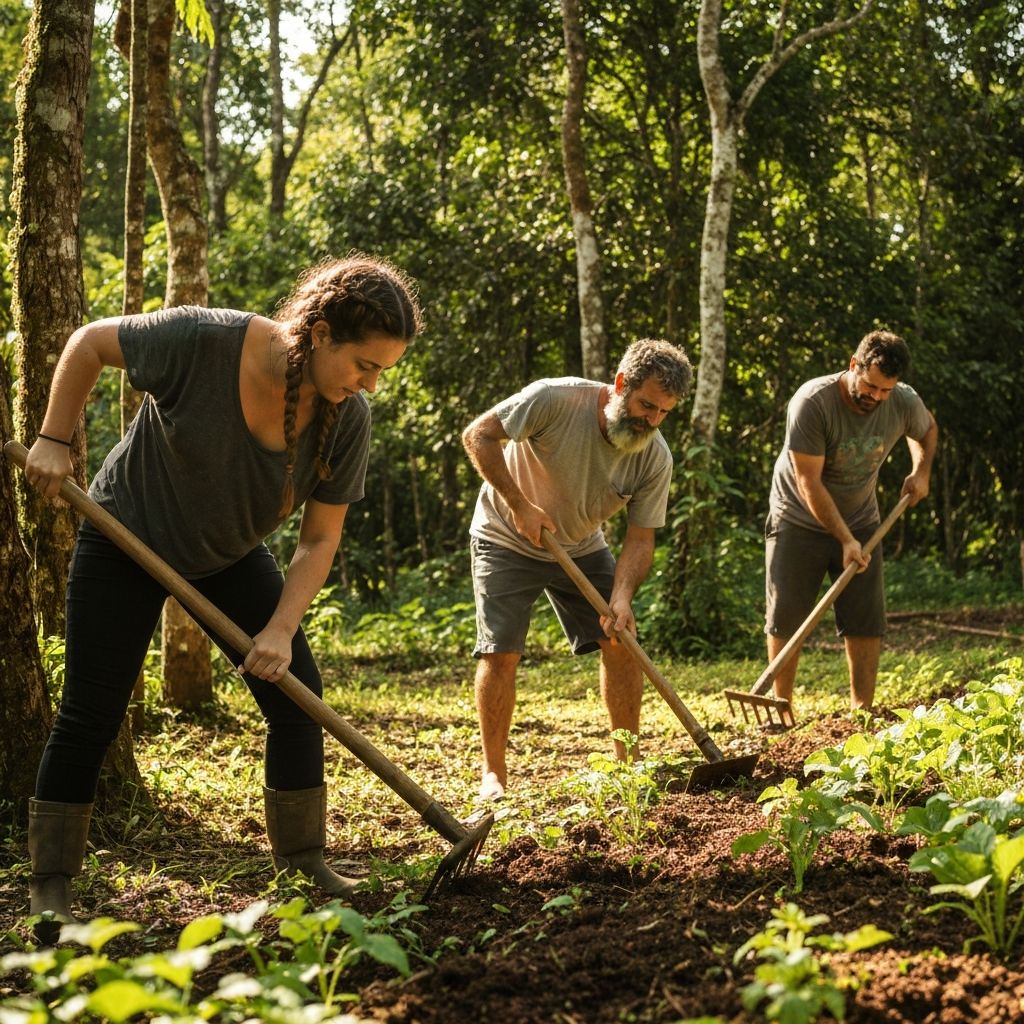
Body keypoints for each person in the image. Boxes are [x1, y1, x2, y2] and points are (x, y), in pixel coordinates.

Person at [21, 253, 422, 938]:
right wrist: (55, 437)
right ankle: (51, 882)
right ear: (321, 332)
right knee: (91, 710)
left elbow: (319, 540)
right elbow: (89, 343)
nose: (370, 386)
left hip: (229, 555)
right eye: (366, 365)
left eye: (382, 371)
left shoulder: (346, 418)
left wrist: (279, 630)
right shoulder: (206, 340)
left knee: (299, 702)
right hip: (127, 534)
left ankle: (305, 858)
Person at [462, 340, 693, 801]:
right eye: (646, 404)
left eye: (662, 413)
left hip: (583, 545)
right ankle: (494, 776)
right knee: (501, 651)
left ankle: (627, 767)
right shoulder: (554, 398)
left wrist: (622, 596)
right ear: (621, 385)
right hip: (506, 535)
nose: (650, 420)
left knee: (621, 639)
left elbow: (641, 538)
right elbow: (478, 435)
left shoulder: (654, 456)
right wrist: (520, 505)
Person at [765, 329, 938, 718]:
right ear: (853, 366)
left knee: (865, 618)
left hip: (862, 518)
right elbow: (808, 482)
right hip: (797, 518)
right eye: (870, 386)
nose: (875, 397)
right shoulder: (813, 401)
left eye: (885, 391)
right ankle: (781, 709)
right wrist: (844, 539)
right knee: (787, 616)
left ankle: (862, 711)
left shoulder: (902, 400)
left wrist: (920, 471)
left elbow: (927, 429)